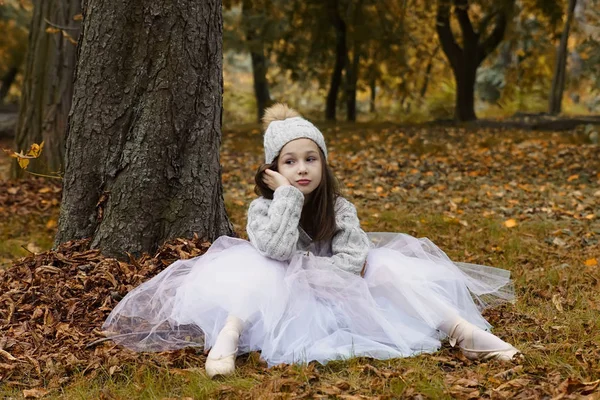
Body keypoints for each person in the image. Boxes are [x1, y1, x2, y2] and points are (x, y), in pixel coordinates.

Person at [102, 104, 520, 378]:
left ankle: (462, 331)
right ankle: (227, 337)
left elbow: (355, 255)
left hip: (336, 291)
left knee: (386, 266)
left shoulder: (338, 207)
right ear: (274, 169)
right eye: (290, 161)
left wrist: (323, 276)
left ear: (323, 162)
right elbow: (279, 250)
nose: (302, 169)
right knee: (261, 269)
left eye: (310, 158)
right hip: (280, 294)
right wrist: (285, 196)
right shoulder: (263, 208)